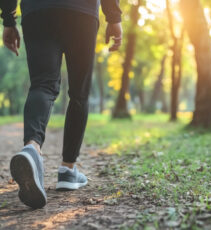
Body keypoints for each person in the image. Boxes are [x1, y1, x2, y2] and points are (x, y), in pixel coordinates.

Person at [0, 0, 122, 209]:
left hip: (37, 10)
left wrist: (8, 19)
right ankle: (68, 169)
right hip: (82, 11)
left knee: (42, 84)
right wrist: (114, 16)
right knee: (79, 93)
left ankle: (32, 147)